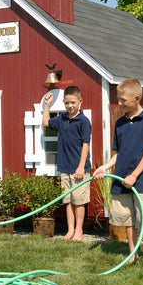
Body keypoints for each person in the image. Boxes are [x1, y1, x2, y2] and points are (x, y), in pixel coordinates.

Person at [94, 78, 143, 269]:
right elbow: (118, 154)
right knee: (126, 218)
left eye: (123, 100)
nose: (120, 104)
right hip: (121, 178)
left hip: (142, 180)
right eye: (119, 99)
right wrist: (105, 167)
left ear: (136, 98)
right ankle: (133, 252)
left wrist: (135, 175)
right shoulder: (120, 123)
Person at [42, 86, 91, 242]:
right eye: (67, 103)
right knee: (68, 201)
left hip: (79, 169)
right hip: (64, 167)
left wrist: (81, 166)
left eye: (73, 103)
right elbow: (45, 123)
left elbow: (86, 144)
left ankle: (79, 231)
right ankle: (70, 230)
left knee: (79, 201)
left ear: (80, 101)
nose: (70, 106)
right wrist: (47, 105)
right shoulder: (62, 119)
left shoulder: (83, 121)